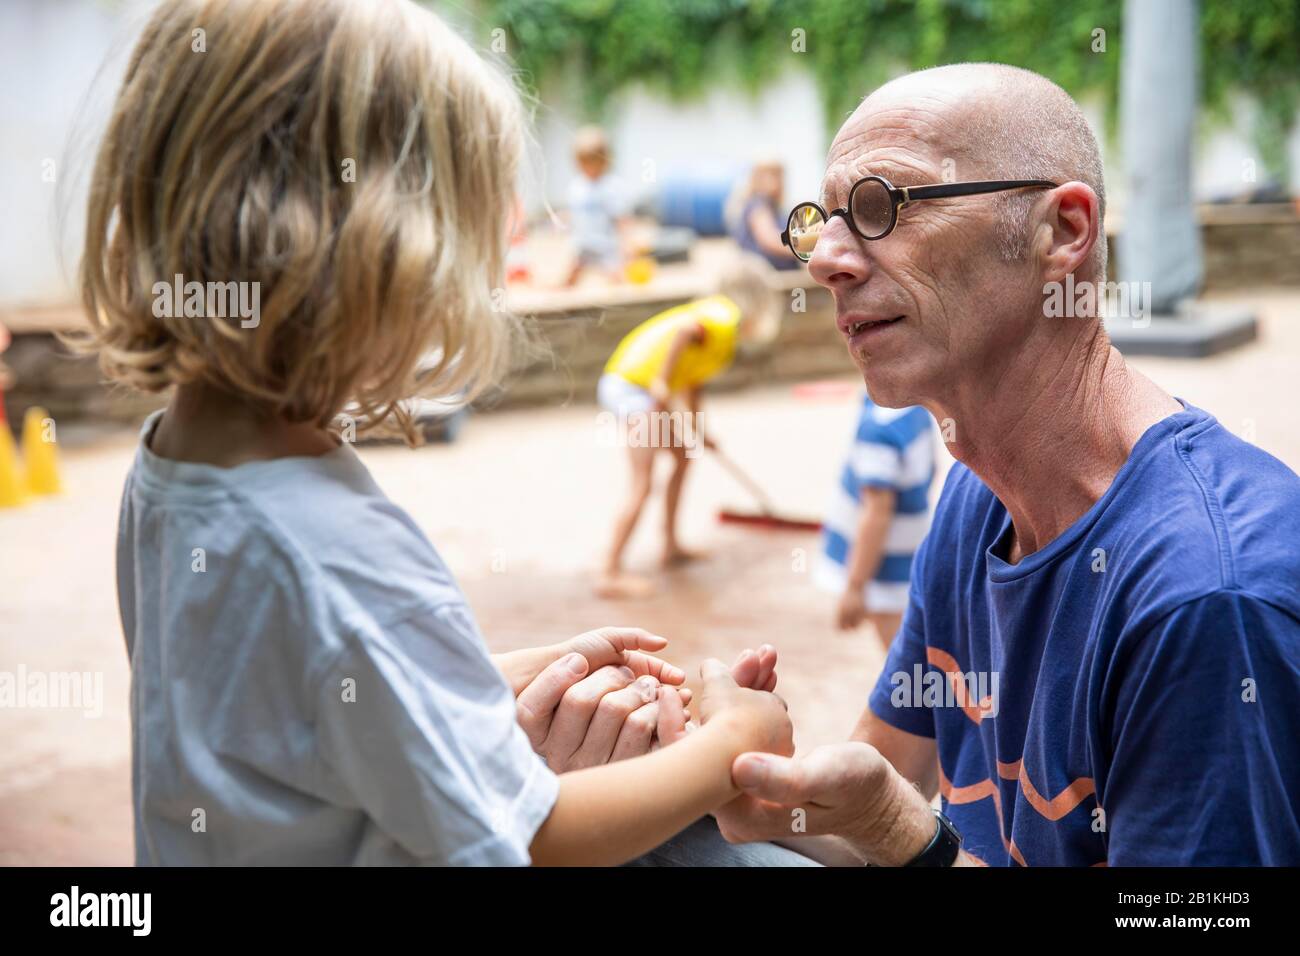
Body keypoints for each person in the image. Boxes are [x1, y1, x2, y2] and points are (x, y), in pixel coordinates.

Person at [80, 0, 795, 866]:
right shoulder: (335, 550)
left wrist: (523, 669)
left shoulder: (174, 463)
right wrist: (726, 750)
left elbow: (308, 699)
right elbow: (535, 838)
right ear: (378, 256)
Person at [711, 63, 1300, 866]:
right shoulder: (977, 499)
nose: (827, 261)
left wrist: (899, 830)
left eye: (884, 207)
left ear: (1063, 231)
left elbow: (899, 823)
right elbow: (879, 789)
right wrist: (729, 773)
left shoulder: (1205, 596)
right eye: (826, 219)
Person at [595, 255, 779, 598]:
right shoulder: (724, 313)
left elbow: (693, 386)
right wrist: (662, 382)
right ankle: (609, 571)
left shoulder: (721, 339)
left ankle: (670, 545)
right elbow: (684, 332)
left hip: (637, 388)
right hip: (632, 388)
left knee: (683, 456)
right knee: (642, 483)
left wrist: (700, 432)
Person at [815, 394, 934, 646]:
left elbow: (877, 512)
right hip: (909, 548)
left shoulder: (877, 430)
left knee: (902, 659)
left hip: (884, 568)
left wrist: (856, 586)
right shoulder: (914, 403)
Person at [564, 126, 631, 286]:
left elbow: (620, 217)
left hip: (605, 244)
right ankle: (567, 304)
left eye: (593, 163)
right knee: (572, 274)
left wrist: (627, 243)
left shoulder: (610, 186)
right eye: (584, 163)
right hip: (583, 243)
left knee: (615, 276)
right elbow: (575, 213)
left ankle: (622, 300)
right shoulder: (577, 186)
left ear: (604, 162)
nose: (589, 168)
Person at [725, 158, 802, 270]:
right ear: (757, 179)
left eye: (780, 175)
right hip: (767, 272)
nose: (779, 181)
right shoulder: (758, 205)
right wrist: (801, 250)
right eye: (772, 175)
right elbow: (769, 240)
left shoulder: (774, 207)